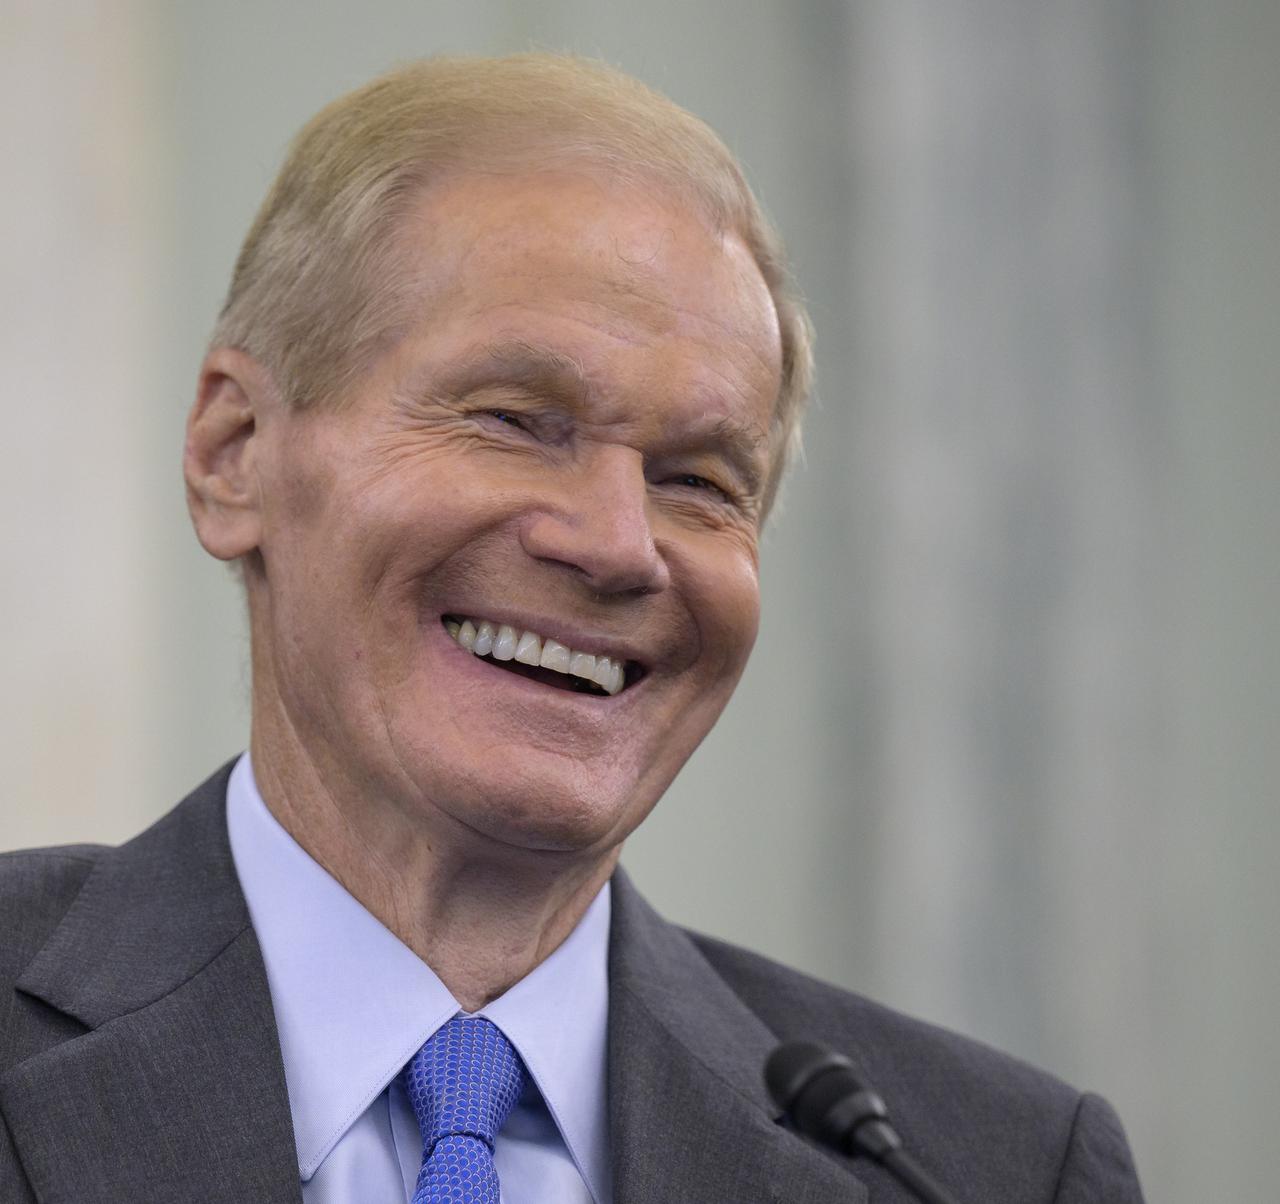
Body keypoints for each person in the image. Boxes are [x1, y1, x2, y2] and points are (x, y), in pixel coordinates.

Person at [0, 54, 1143, 1203]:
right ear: (235, 453)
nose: (617, 544)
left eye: (696, 481)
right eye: (511, 420)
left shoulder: (993, 1170)